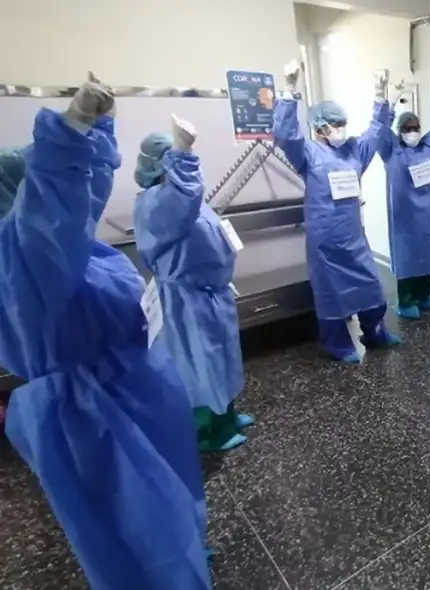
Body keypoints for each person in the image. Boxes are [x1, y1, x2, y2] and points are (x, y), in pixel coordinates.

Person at [0, 75, 211, 588]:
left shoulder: (73, 251)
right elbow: (51, 211)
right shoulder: (20, 261)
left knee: (171, 511)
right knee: (142, 537)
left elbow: (77, 201)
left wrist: (98, 133)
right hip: (93, 416)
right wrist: (69, 133)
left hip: (131, 388)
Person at [133, 115, 254, 453]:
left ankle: (227, 416)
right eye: (170, 157)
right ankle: (208, 433)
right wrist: (184, 152)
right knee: (200, 369)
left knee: (223, 361)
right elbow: (185, 195)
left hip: (211, 293)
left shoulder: (177, 199)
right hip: (187, 301)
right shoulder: (157, 203)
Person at [275, 61, 401, 364]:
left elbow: (377, 131)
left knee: (370, 285)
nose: (340, 129)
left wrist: (380, 95)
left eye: (343, 123)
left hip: (353, 237)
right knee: (331, 296)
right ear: (319, 128)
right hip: (325, 241)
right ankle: (337, 344)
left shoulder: (355, 150)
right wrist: (289, 92)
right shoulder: (308, 153)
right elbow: (284, 135)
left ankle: (374, 332)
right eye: (335, 124)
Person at [379, 75, 430, 320]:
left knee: (425, 254)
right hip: (404, 217)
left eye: (415, 128)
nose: (412, 132)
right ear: (399, 131)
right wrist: (388, 105)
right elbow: (379, 132)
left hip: (427, 215)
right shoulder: (391, 148)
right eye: (407, 128)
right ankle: (405, 301)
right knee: (406, 257)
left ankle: (424, 295)